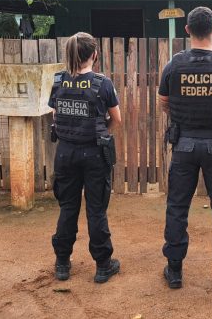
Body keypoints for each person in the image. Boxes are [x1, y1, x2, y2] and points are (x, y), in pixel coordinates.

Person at [158, 6, 212, 292]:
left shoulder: (173, 65)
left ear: (187, 30)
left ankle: (174, 271)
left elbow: (164, 102)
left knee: (177, 206)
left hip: (183, 145)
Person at [48, 32, 122, 283]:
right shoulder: (102, 83)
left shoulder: (59, 80)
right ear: (94, 55)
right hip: (94, 154)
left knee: (68, 207)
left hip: (65, 153)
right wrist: (101, 131)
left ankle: (62, 263)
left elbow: (56, 116)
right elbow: (117, 119)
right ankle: (103, 266)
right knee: (96, 210)